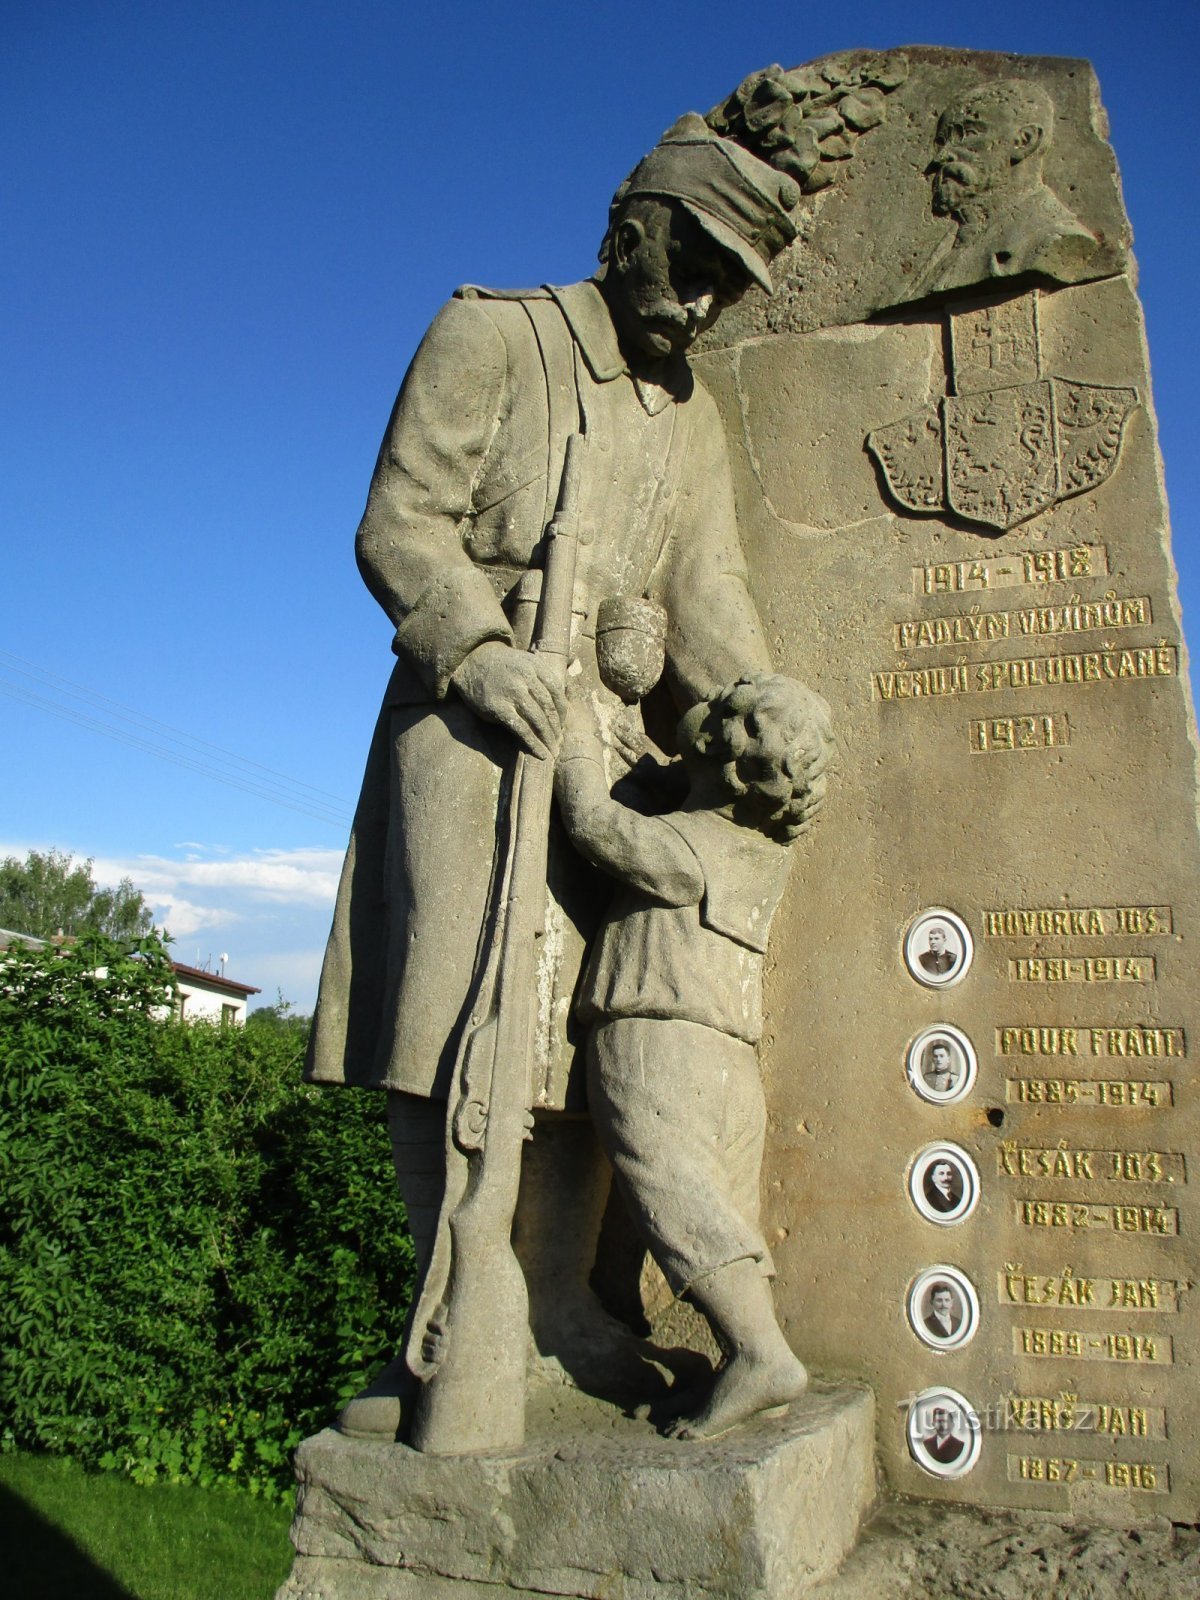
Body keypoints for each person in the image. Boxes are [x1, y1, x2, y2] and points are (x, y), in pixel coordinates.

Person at [305, 111, 812, 1439]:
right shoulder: (495, 335)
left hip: (607, 757)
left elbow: (707, 603)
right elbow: (398, 524)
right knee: (453, 1017)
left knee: (576, 1038)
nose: (700, 303)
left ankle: (553, 1305)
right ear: (627, 228)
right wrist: (479, 650)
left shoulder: (688, 421)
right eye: (689, 263)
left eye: (727, 285)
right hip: (472, 729)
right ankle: (452, 1316)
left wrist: (760, 708)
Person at [554, 671, 833, 1439]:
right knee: (704, 1208)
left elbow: (590, 824)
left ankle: (759, 1353)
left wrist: (574, 735)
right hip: (727, 1061)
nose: (703, 710)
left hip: (658, 1040)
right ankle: (638, 1330)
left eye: (725, 713)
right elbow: (657, 806)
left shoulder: (690, 846)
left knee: (674, 1196)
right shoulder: (751, 848)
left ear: (730, 757)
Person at [914, 79, 1097, 297]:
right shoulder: (945, 248)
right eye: (942, 142)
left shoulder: (1052, 238)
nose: (941, 156)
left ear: (1024, 141)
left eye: (967, 133)